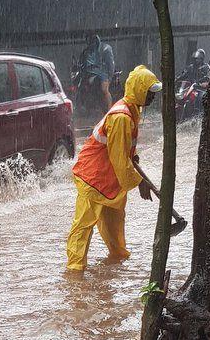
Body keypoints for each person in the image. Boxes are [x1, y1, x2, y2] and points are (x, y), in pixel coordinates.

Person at [66, 65, 162, 272]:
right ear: (139, 90)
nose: (153, 98)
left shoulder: (132, 111)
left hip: (109, 179)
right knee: (83, 226)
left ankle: (118, 261)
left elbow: (122, 151)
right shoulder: (122, 116)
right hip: (93, 176)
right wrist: (139, 182)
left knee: (114, 225)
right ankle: (74, 273)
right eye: (150, 93)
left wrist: (131, 155)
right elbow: (119, 159)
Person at [78, 34, 116, 112]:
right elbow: (82, 63)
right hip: (89, 73)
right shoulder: (86, 51)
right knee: (81, 87)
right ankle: (82, 108)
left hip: (103, 73)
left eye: (92, 41)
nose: (90, 43)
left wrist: (109, 77)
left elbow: (110, 64)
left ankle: (110, 110)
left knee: (104, 90)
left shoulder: (106, 49)